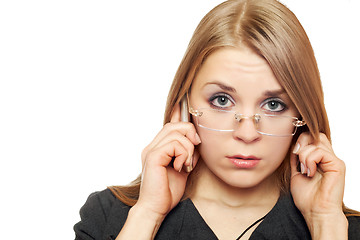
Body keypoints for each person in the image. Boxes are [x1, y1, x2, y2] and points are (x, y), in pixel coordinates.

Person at [74, 0, 360, 239]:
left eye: (274, 104)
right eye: (221, 100)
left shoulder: (341, 228)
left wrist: (325, 222)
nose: (247, 133)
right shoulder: (110, 217)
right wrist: (148, 213)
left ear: (302, 115)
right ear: (185, 104)